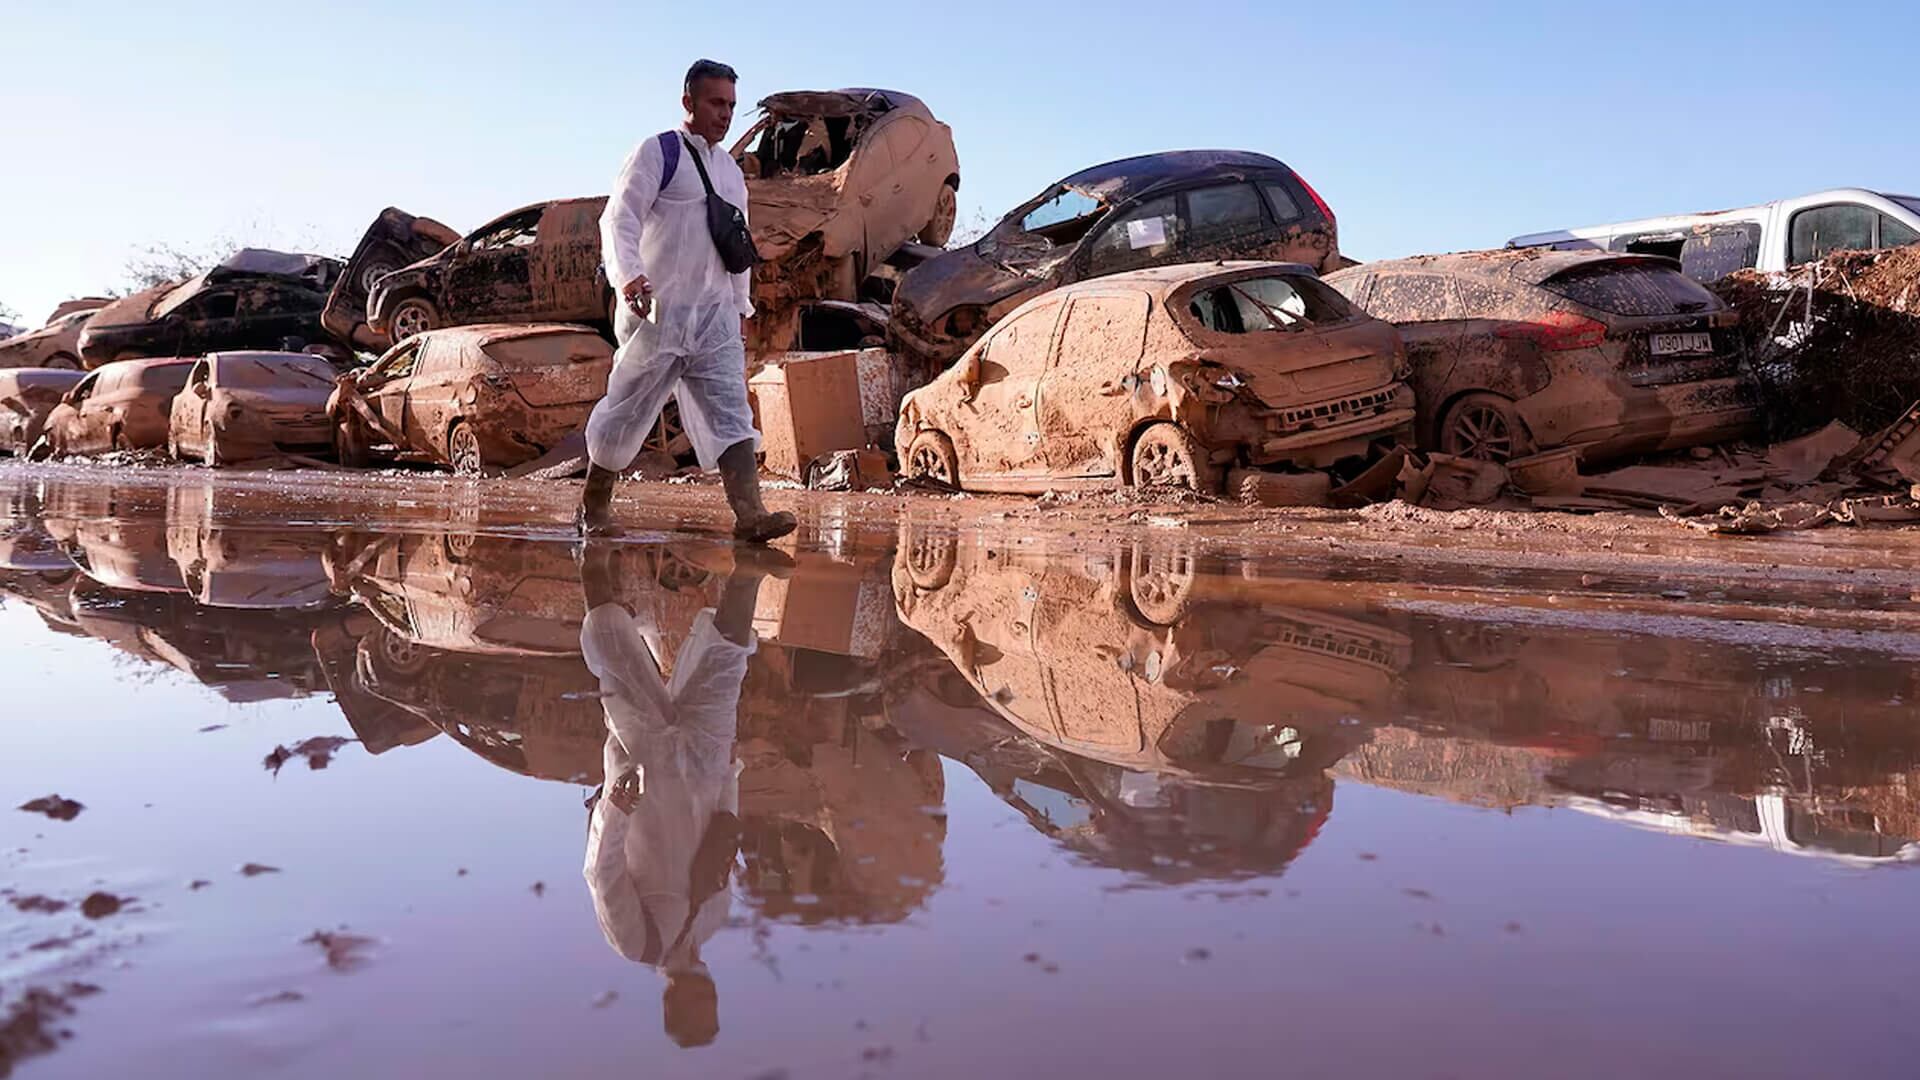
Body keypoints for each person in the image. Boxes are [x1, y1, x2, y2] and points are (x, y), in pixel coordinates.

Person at [580, 58, 797, 544]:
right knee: (628, 408)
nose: (724, 114)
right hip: (657, 312)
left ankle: (750, 514)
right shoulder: (659, 153)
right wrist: (629, 276)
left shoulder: (730, 172)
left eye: (731, 106)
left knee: (731, 409)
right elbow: (620, 220)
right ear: (688, 102)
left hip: (715, 316)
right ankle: (594, 503)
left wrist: (740, 308)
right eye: (716, 103)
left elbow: (736, 246)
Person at [578, 541, 784, 1048]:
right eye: (712, 1004)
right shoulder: (714, 921)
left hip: (644, 762)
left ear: (672, 1003)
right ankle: (750, 557)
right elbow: (724, 830)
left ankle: (595, 533)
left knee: (609, 643)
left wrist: (615, 809)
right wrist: (731, 771)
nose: (707, 995)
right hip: (706, 761)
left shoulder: (636, 943)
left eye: (698, 1006)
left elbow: (601, 873)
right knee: (728, 657)